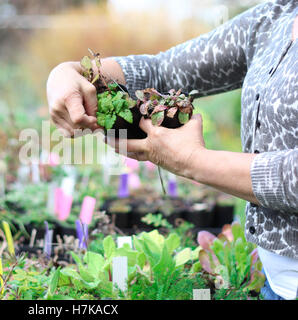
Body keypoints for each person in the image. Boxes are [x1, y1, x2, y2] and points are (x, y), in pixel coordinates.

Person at [46, 0, 297, 299]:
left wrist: (192, 162)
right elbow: (163, 71)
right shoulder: (278, 15)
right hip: (276, 285)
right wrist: (68, 73)